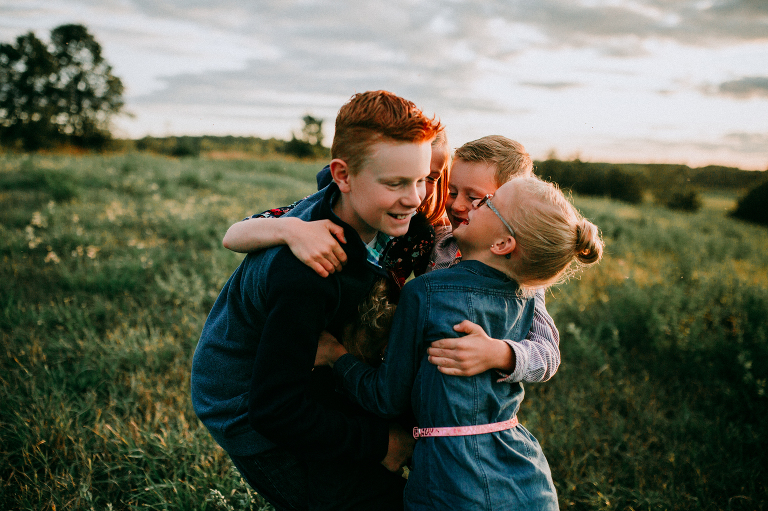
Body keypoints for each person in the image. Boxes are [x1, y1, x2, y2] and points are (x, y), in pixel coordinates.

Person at [190, 90, 442, 511]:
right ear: (343, 175)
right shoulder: (307, 272)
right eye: (395, 183)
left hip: (313, 367)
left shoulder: (394, 220)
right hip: (250, 407)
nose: (415, 198)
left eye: (420, 180)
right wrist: (381, 442)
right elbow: (275, 411)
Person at [316, 176, 605, 510]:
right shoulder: (525, 299)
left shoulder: (423, 293)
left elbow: (386, 398)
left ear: (503, 243)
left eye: (489, 202)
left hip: (449, 483)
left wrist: (336, 356)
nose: (475, 203)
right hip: (527, 481)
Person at [222, 135, 560, 384]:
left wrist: (499, 354)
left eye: (477, 199)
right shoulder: (438, 239)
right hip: (416, 383)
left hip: (478, 404)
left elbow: (547, 353)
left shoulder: (521, 275)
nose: (457, 205)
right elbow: (235, 234)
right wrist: (291, 229)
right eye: (452, 191)